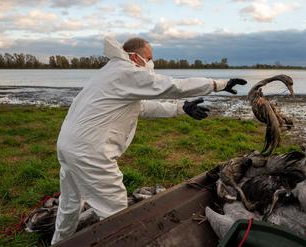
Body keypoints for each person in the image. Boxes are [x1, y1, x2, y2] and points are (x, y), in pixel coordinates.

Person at [51, 36, 247, 244]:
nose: (152, 63)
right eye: (149, 57)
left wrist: (181, 108)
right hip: (90, 152)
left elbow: (141, 107)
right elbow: (173, 86)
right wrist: (218, 84)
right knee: (116, 214)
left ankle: (59, 242)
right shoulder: (126, 72)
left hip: (68, 146)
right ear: (135, 57)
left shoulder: (111, 72)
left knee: (70, 202)